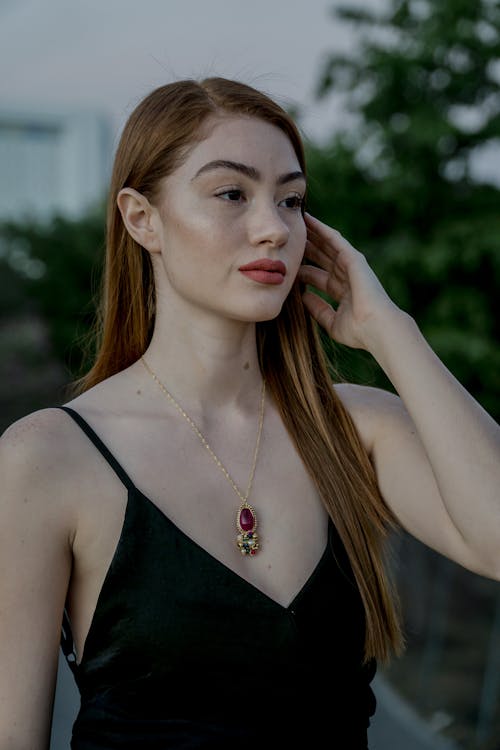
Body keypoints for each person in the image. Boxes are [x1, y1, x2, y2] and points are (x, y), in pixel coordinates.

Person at [1, 76, 499, 750]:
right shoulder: (48, 459)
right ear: (142, 218)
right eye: (232, 193)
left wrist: (390, 331)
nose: (273, 228)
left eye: (291, 200)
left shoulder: (357, 429)